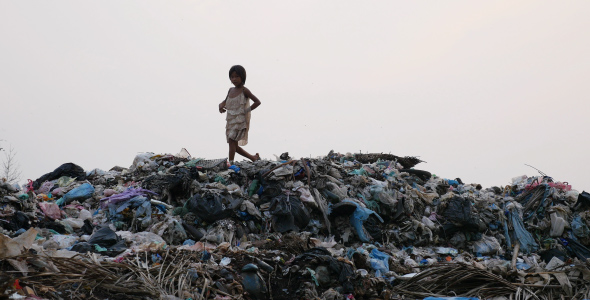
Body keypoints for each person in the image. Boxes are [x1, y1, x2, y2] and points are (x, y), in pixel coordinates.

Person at [219, 65, 262, 164]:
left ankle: (231, 163)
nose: (234, 79)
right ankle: (253, 158)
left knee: (231, 141)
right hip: (230, 120)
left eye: (236, 76)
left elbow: (257, 102)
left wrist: (246, 111)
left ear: (242, 77)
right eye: (232, 77)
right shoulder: (230, 90)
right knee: (233, 145)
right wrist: (220, 106)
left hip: (240, 121)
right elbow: (224, 102)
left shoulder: (244, 90)